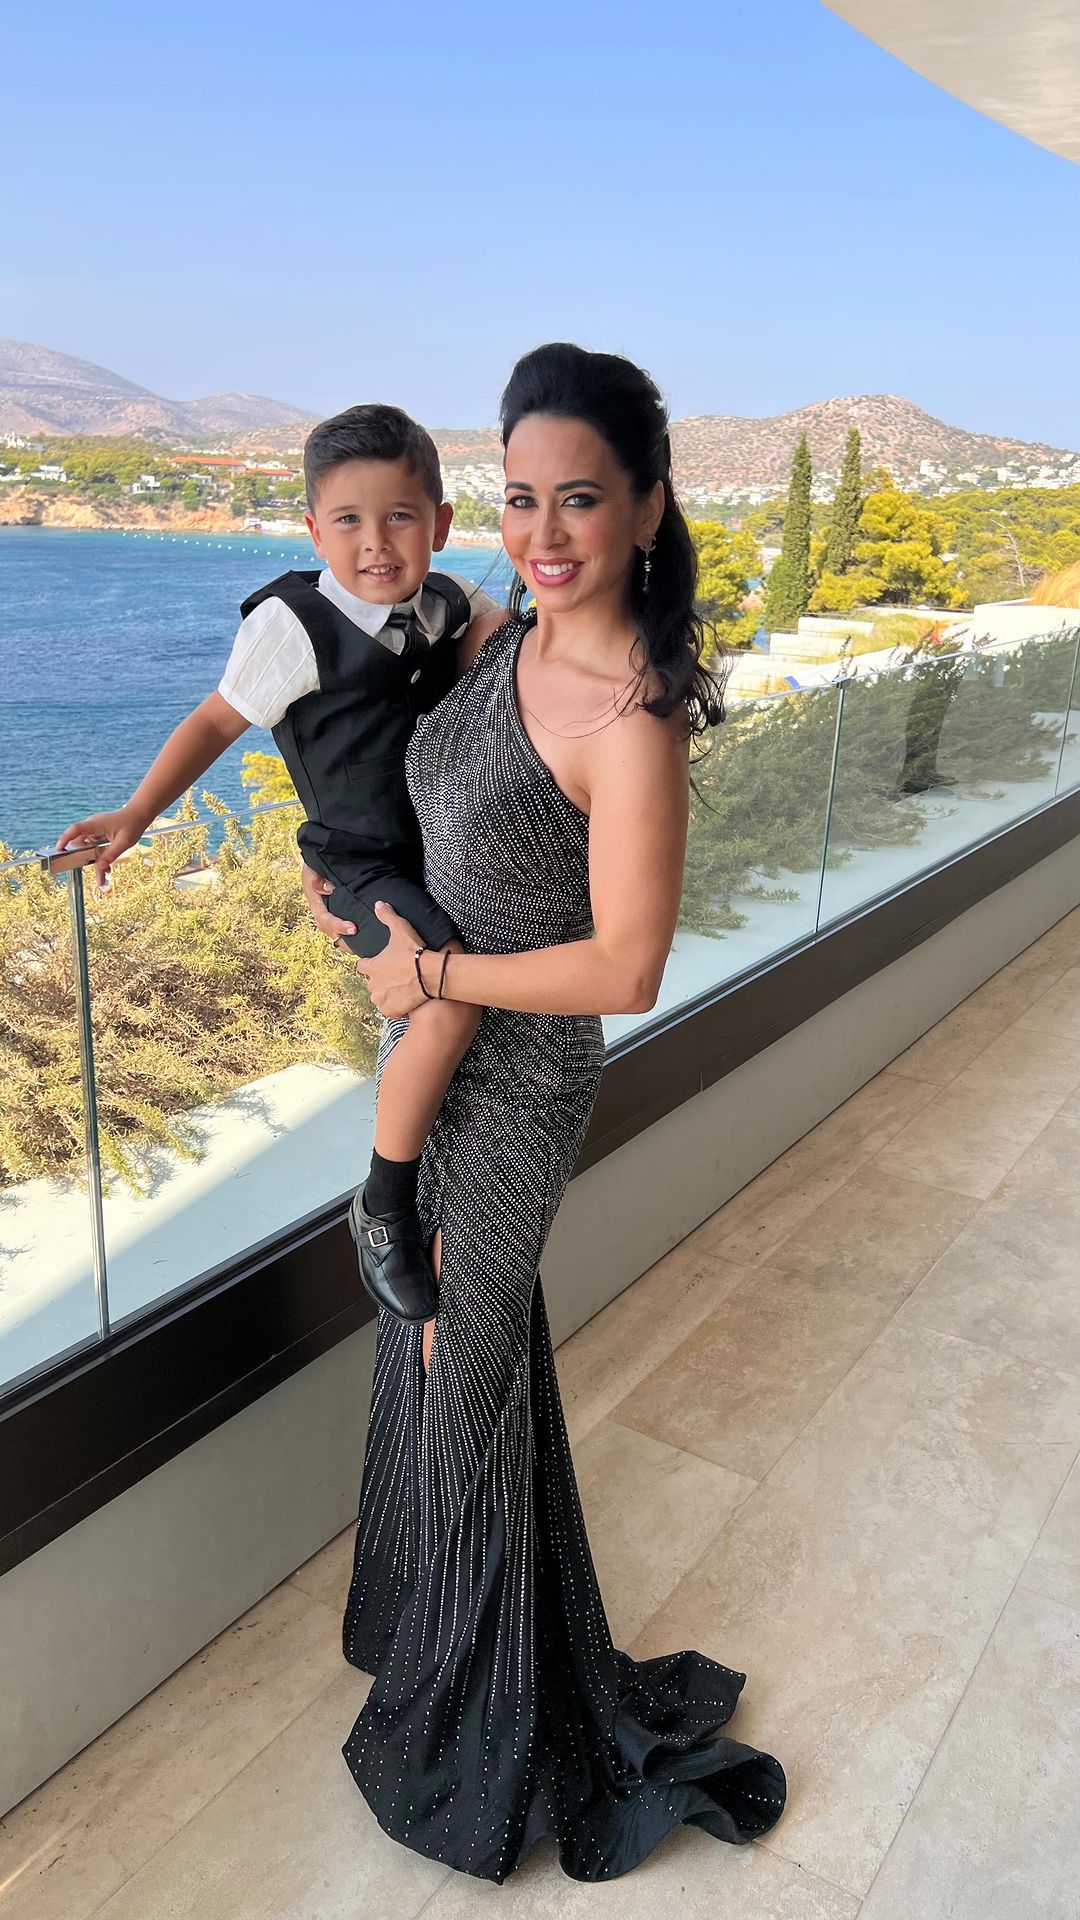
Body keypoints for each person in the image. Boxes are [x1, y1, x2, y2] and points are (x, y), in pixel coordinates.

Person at [304, 343, 786, 1883]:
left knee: (459, 1365)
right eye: (519, 497)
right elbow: (379, 761)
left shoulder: (630, 715)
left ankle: (481, 1734)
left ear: (646, 506)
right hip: (435, 1043)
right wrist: (350, 887)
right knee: (442, 1357)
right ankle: (439, 1638)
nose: (544, 530)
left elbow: (626, 967)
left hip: (517, 1086)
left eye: (579, 498)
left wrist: (434, 968)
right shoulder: (494, 631)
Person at [58, 404, 501, 1322]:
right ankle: (384, 1205)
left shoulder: (449, 601)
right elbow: (215, 721)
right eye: (348, 520)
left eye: (400, 517)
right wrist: (137, 816)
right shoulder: (292, 627)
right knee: (450, 999)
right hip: (358, 865)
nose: (375, 542)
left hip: (444, 844)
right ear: (313, 529)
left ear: (441, 523)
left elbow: (502, 650)